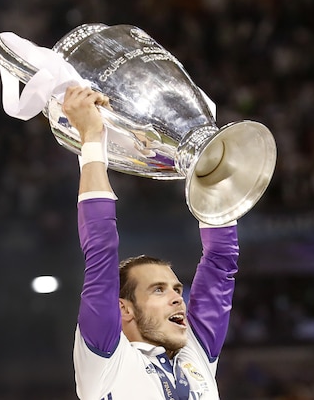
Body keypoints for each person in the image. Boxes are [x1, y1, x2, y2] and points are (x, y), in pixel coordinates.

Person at [62, 85, 239, 400]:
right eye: (158, 289)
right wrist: (91, 139)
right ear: (123, 310)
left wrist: (210, 168)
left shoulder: (193, 354)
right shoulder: (105, 365)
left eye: (175, 289)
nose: (177, 299)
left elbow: (220, 260)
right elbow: (100, 251)